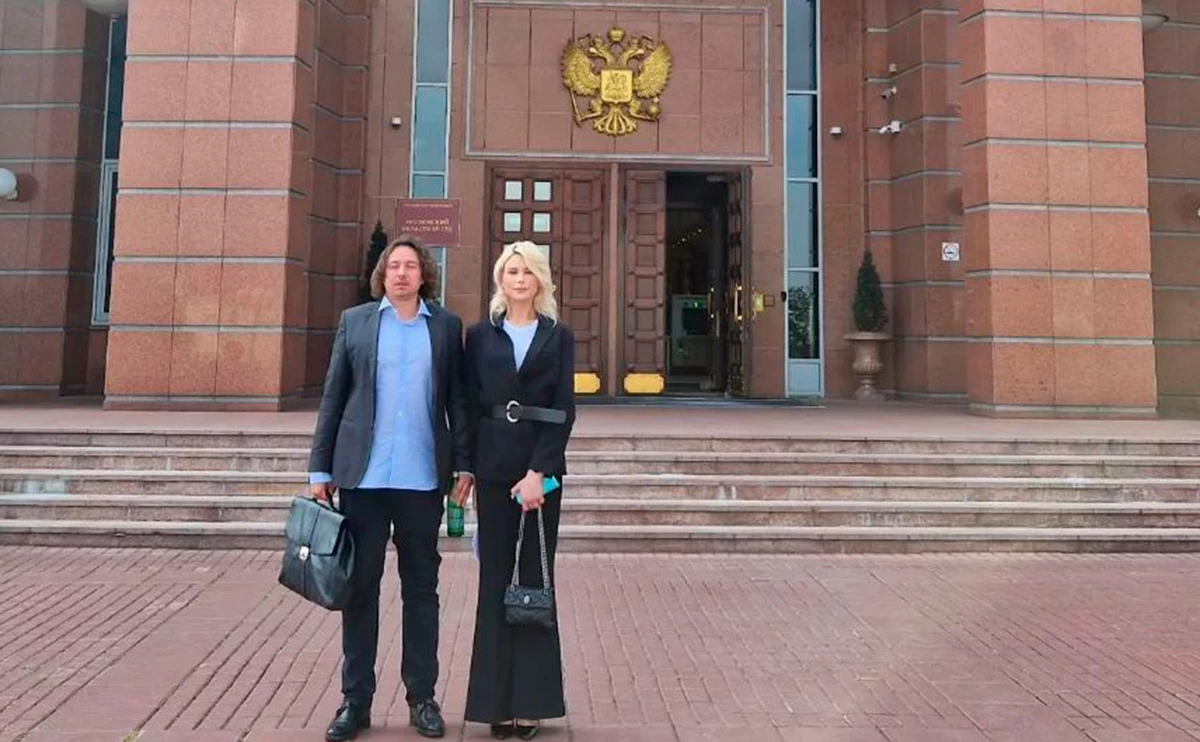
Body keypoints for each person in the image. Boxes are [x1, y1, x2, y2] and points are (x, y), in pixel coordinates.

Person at [308, 235, 473, 742]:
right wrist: (319, 469)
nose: (401, 273)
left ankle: (422, 698)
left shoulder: (445, 327)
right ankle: (355, 701)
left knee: (421, 590)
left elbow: (458, 401)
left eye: (411, 266)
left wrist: (464, 466)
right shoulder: (356, 322)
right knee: (361, 590)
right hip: (365, 479)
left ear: (425, 274)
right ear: (382, 274)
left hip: (422, 479)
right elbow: (334, 396)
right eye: (394, 265)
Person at [454, 240, 576, 741]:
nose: (519, 279)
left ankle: (532, 704)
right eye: (511, 271)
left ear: (540, 280)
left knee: (533, 582)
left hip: (541, 476)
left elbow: (563, 408)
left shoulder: (558, 336)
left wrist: (538, 472)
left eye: (527, 272)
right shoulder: (481, 335)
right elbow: (466, 404)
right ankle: (494, 705)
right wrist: (464, 466)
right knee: (494, 584)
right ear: (500, 279)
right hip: (493, 469)